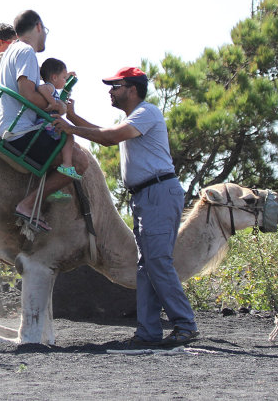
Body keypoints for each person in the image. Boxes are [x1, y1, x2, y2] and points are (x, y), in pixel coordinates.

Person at [52, 66, 199, 348]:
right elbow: (105, 133)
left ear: (133, 90)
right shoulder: (134, 119)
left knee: (156, 262)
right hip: (147, 196)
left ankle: (185, 325)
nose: (111, 90)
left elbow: (109, 137)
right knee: (145, 266)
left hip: (158, 192)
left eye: (116, 86)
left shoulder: (147, 112)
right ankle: (148, 332)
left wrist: (71, 128)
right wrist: (73, 118)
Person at [0, 9, 88, 231]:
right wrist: (57, 107)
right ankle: (28, 205)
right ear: (39, 27)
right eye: (46, 31)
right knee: (80, 161)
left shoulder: (11, 51)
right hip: (19, 133)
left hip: (5, 125)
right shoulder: (26, 52)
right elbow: (27, 93)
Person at [35, 57, 81, 181]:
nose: (65, 81)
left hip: (46, 123)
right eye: (63, 78)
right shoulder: (49, 86)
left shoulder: (53, 88)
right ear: (54, 77)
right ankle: (67, 164)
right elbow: (41, 88)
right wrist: (53, 103)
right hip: (45, 123)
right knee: (69, 136)